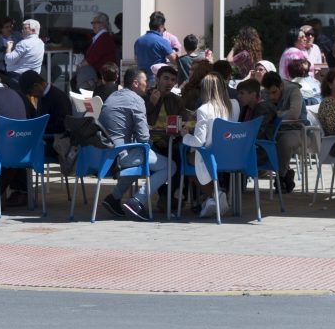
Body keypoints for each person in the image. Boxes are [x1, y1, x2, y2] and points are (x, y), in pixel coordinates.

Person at [98, 67, 174, 221]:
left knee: (142, 157)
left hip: (104, 155)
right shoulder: (136, 100)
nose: (148, 84)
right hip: (121, 156)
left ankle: (113, 198)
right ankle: (137, 201)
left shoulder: (113, 96)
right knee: (170, 166)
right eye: (145, 81)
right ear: (135, 83)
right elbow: (144, 137)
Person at [180, 74, 234, 217]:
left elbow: (199, 141)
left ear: (204, 89)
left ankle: (215, 194)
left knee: (186, 160)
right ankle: (210, 199)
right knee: (193, 160)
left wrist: (184, 135)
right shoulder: (229, 106)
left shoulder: (203, 109)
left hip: (209, 155)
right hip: (228, 155)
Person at [260, 71, 304, 193]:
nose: (271, 97)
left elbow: (294, 114)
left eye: (274, 92)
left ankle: (280, 178)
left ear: (281, 86)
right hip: (273, 130)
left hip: (295, 129)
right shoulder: (263, 93)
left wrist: (273, 115)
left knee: (285, 142)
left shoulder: (294, 90)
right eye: (268, 93)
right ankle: (284, 174)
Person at [19, 70, 71, 144]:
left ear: (36, 86)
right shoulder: (42, 96)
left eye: (30, 93)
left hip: (55, 144)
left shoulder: (59, 98)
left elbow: (63, 126)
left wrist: (38, 128)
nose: (32, 96)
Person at [145, 66, 185, 153]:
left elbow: (183, 123)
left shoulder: (176, 100)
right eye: (166, 78)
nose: (169, 83)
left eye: (173, 80)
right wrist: (151, 104)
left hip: (170, 141)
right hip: (148, 142)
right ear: (157, 79)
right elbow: (141, 122)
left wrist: (166, 139)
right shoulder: (145, 96)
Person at [134, 12, 177, 80]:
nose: (164, 31)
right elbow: (174, 60)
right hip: (157, 79)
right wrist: (174, 52)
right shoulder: (162, 41)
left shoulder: (138, 41)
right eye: (164, 29)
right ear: (161, 27)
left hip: (142, 80)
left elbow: (136, 60)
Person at [4, 19, 45, 88]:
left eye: (25, 28)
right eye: (22, 28)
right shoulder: (40, 43)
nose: (22, 31)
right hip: (33, 77)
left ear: (33, 30)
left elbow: (8, 60)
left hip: (18, 77)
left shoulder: (23, 43)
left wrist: (8, 48)